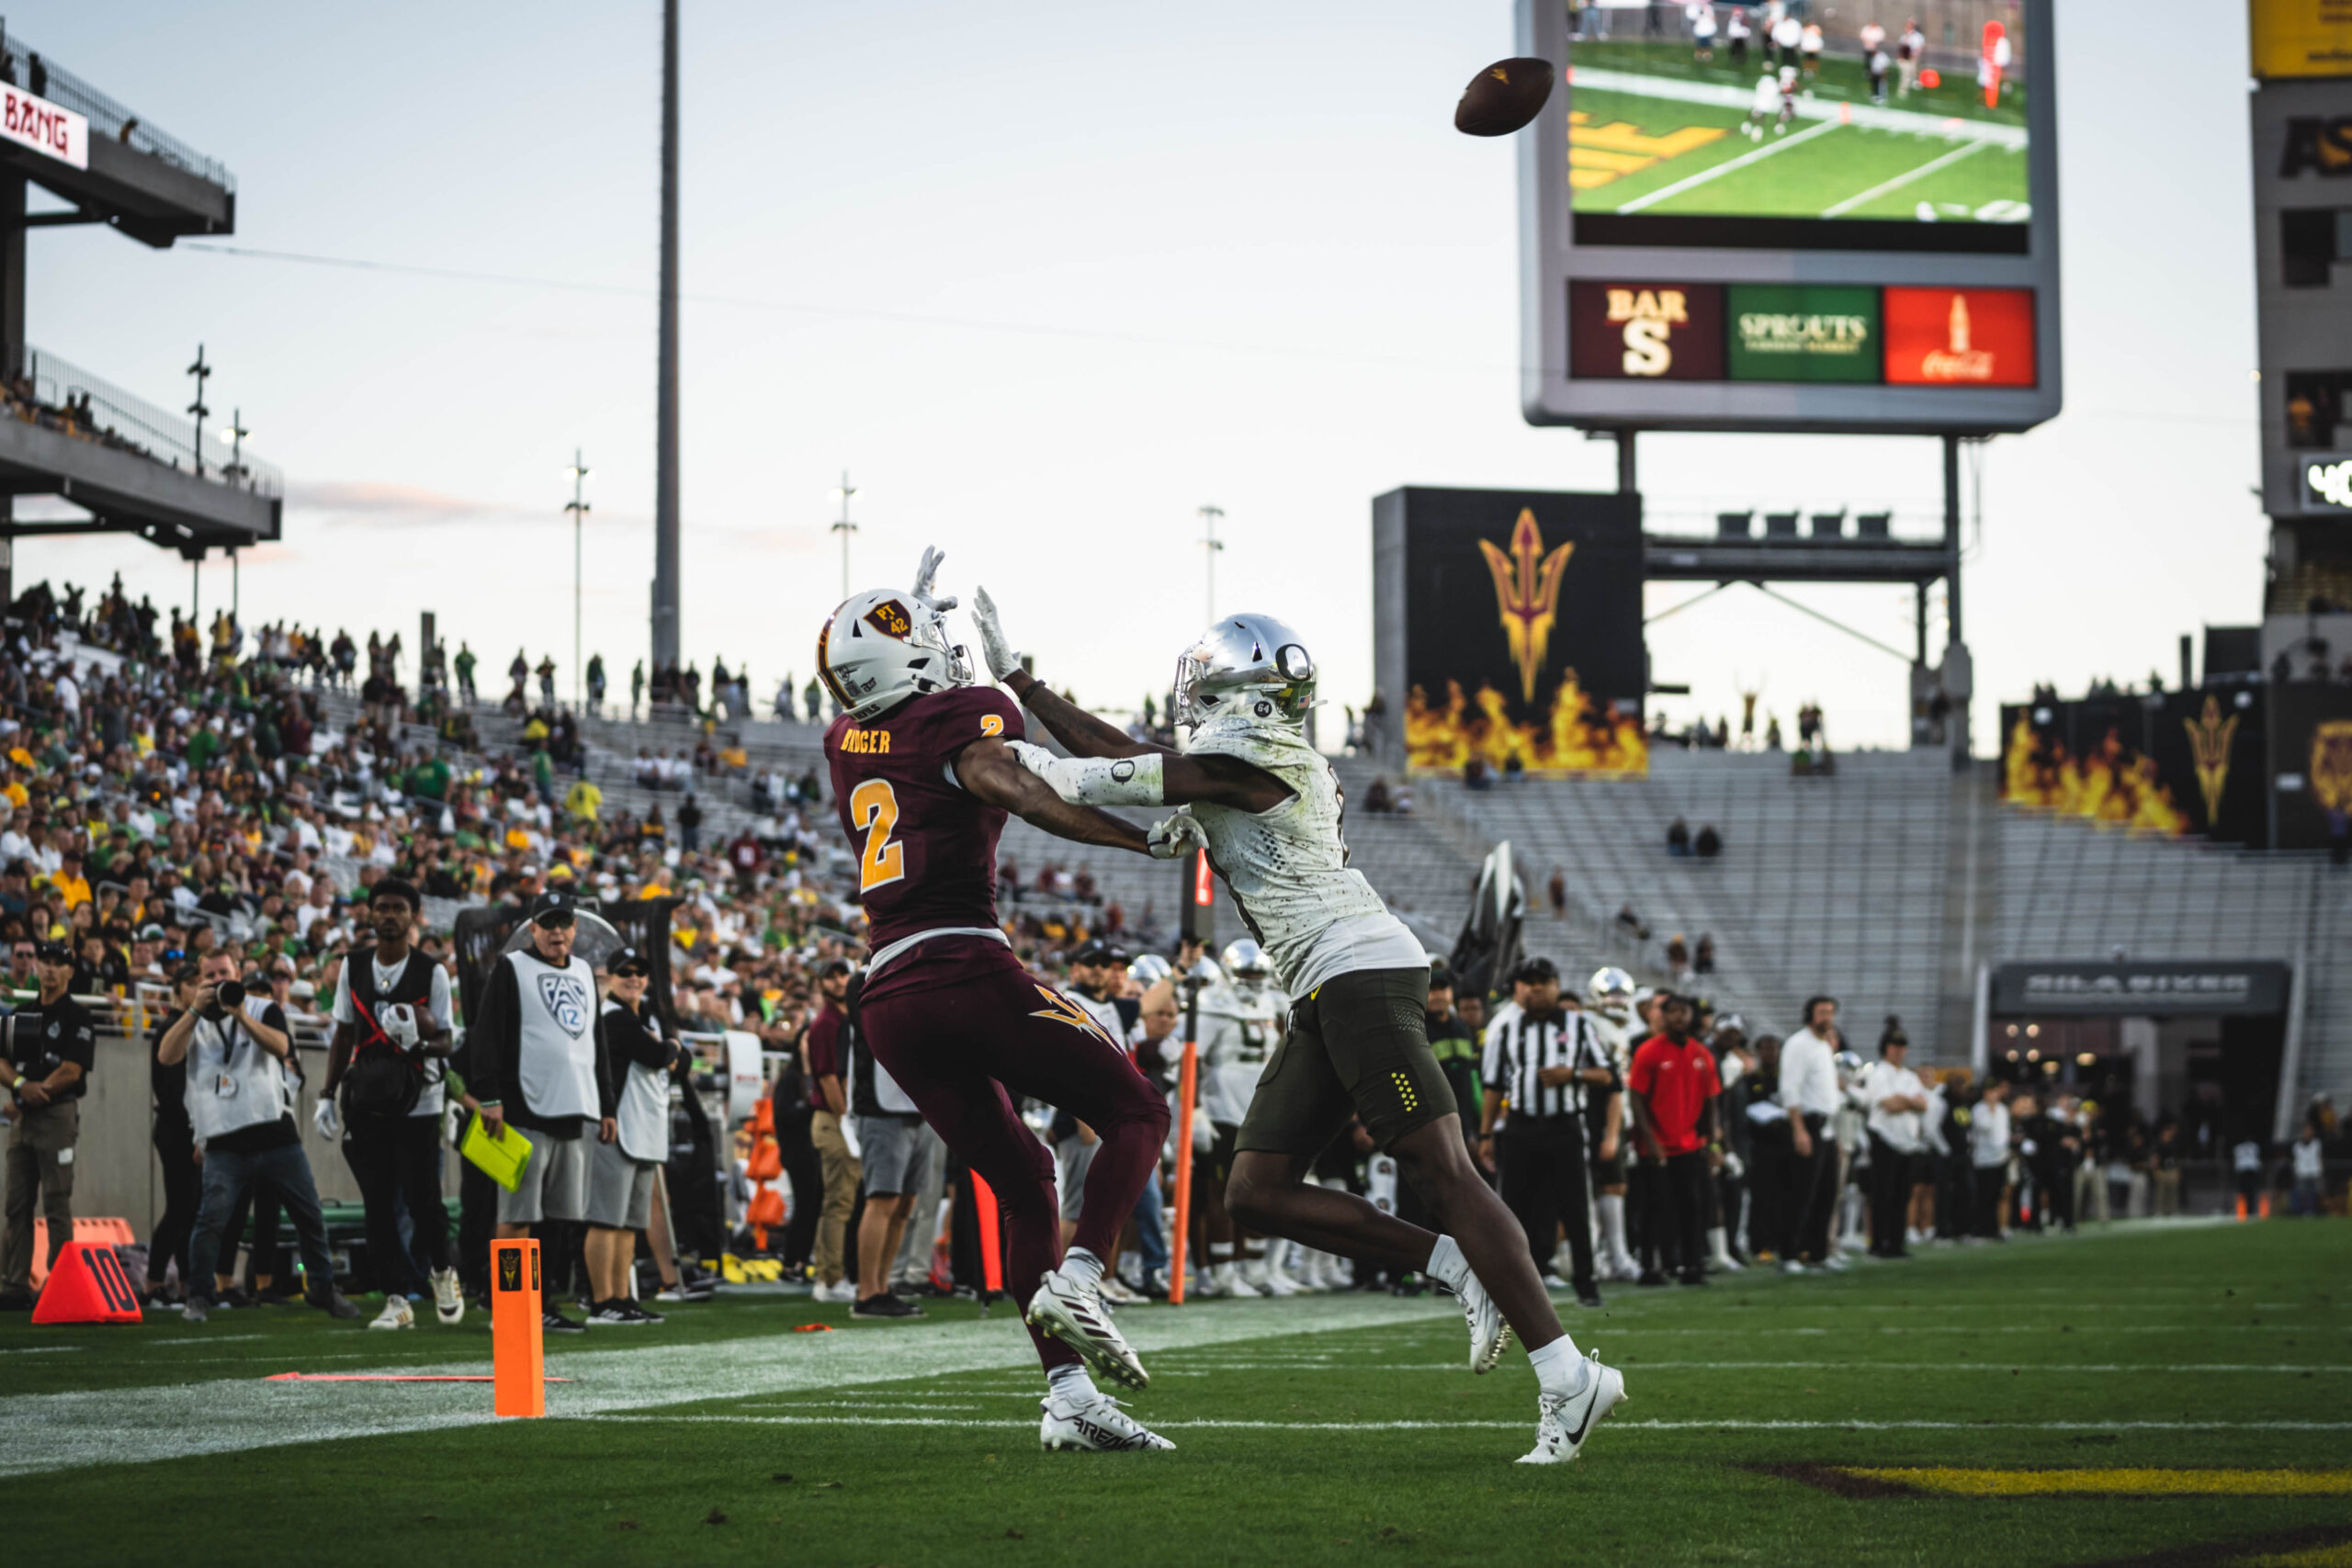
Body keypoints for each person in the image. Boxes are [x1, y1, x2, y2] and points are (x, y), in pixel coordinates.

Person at [979, 592, 1626, 1465]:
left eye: (1208, 689)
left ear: (1241, 695)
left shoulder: (1256, 758)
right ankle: (1453, 1264)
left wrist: (985, 748)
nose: (1195, 705)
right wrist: (1024, 684)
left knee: (1443, 1167)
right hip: (1323, 983)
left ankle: (1568, 1374)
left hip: (1356, 970)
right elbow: (1135, 756)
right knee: (1258, 1189)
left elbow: (1112, 773)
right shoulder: (1260, 753)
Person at [815, 550, 1177, 1454]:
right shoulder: (965, 718)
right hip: (962, 966)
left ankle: (1065, 1395)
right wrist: (1137, 842)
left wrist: (898, 620)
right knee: (1135, 1106)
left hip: (888, 996)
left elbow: (897, 710)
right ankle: (1086, 1275)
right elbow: (1019, 782)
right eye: (928, 637)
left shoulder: (842, 739)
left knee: (1023, 1179)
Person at [161, 951, 359, 1323]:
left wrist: (240, 1014)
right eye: (210, 975)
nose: (218, 979)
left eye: (224, 972)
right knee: (211, 1220)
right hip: (223, 1137)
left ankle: (321, 1287)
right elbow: (166, 1056)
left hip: (273, 1131)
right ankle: (199, 1295)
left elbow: (282, 1046)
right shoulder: (195, 1018)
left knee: (309, 1214)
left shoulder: (262, 1007)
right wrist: (193, 1012)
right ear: (201, 980)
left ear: (238, 973)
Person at [464, 891, 614, 1336]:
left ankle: (542, 1305)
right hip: (525, 1109)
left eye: (563, 923)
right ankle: (508, 1306)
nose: (556, 932)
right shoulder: (512, 968)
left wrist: (605, 1104)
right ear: (532, 929)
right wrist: (489, 1095)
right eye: (547, 924)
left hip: (575, 1108)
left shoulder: (586, 972)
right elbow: (487, 1034)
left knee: (557, 1219)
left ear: (574, 929)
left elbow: (595, 1043)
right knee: (516, 1217)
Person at [317, 877, 462, 1329]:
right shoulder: (353, 965)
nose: (389, 915)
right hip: (367, 1096)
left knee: (424, 1203)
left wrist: (418, 1042)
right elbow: (344, 1031)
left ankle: (442, 1271)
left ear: (414, 915)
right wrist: (326, 1093)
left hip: (419, 1098)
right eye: (382, 907)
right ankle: (397, 1299)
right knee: (378, 1204)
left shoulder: (431, 971)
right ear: (369, 913)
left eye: (399, 907)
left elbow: (448, 1039)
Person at [1478, 957, 1610, 1307]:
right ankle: (1515, 1285)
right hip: (1521, 1128)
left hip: (1564, 1128)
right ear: (1519, 988)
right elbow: (1493, 1084)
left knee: (1574, 1208)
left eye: (1544, 980)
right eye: (1529, 981)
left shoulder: (1578, 1025)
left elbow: (1606, 1074)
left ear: (1556, 984)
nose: (1536, 987)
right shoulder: (1506, 1027)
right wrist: (1486, 1134)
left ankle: (1586, 1282)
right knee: (1515, 1210)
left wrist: (1574, 1075)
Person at [0, 942, 96, 1305]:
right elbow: (2, 1062)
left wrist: (38, 1090)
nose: (50, 969)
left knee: (57, 1202)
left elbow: (72, 1070)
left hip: (57, 1115)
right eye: (46, 962)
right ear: (37, 967)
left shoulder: (78, 1016)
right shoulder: (23, 1013)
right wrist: (24, 1087)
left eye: (59, 964)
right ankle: (14, 1286)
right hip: (25, 1114)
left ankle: (60, 1285)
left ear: (70, 971)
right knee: (17, 1204)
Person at [585, 947, 675, 1325]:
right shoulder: (613, 1018)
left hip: (641, 1128)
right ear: (610, 976)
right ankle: (602, 1299)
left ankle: (622, 1296)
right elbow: (661, 1056)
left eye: (639, 972)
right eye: (625, 972)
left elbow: (672, 1058)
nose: (633, 978)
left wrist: (668, 1050)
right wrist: (670, 1048)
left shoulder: (640, 1017)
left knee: (629, 1221)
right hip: (615, 1126)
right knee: (607, 1218)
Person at [847, 963, 935, 1321]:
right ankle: (866, 1292)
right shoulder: (863, 979)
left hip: (920, 1104)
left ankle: (883, 1286)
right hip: (881, 1106)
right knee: (882, 1197)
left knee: (904, 1203)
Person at [1626, 996, 1720, 1287]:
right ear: (1663, 1017)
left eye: (1684, 1012)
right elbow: (1637, 1098)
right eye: (1674, 1012)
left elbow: (1711, 1100)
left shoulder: (1701, 1053)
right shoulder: (1649, 1051)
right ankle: (1650, 1267)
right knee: (1655, 1207)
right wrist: (1650, 1139)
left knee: (1692, 1205)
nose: (1679, 1018)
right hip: (1657, 1145)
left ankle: (1692, 1265)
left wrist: (1712, 1141)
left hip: (1690, 1143)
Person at [801, 959, 863, 1304]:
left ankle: (834, 1275)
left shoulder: (844, 1019)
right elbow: (826, 1078)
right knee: (838, 1203)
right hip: (833, 1118)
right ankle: (829, 1279)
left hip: (839, 1118)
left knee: (842, 1202)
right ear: (822, 983)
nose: (839, 981)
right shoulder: (826, 1024)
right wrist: (846, 1119)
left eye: (842, 974)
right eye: (831, 976)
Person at [142, 964, 204, 1306]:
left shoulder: (195, 1030)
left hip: (189, 1129)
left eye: (200, 984)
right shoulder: (170, 1029)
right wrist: (194, 1134)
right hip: (175, 1129)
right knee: (180, 1208)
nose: (197, 989)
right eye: (191, 984)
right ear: (178, 989)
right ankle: (152, 1283)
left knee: (189, 1209)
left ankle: (184, 1283)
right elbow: (171, 1091)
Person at [1778, 996, 1842, 1271]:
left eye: (1830, 1012)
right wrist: (1799, 1129)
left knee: (1826, 1193)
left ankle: (1818, 1253)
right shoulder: (1798, 1044)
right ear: (1809, 1014)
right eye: (1821, 1012)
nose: (1826, 1017)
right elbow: (1790, 1088)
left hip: (1827, 1127)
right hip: (1808, 1124)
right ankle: (1789, 1253)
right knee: (1801, 1193)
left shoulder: (1824, 1045)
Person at [1855, 1024, 1928, 1258]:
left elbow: (1923, 1104)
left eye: (1902, 1046)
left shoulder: (1909, 1076)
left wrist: (1903, 1099)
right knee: (1882, 1193)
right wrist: (1910, 1101)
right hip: (1884, 1138)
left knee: (1902, 1194)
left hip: (1907, 1141)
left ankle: (1896, 1242)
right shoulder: (1879, 1073)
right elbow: (1888, 1104)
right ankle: (1878, 1243)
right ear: (1886, 1049)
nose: (1899, 1051)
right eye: (1895, 1046)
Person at [1969, 1080, 2013, 1238]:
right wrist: (1991, 1109)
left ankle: (1996, 1228)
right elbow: (1984, 1126)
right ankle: (1983, 1228)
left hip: (2001, 1157)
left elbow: (2004, 1132)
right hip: (1983, 1159)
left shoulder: (2003, 1110)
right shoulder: (1978, 1109)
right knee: (1984, 1196)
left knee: (1997, 1194)